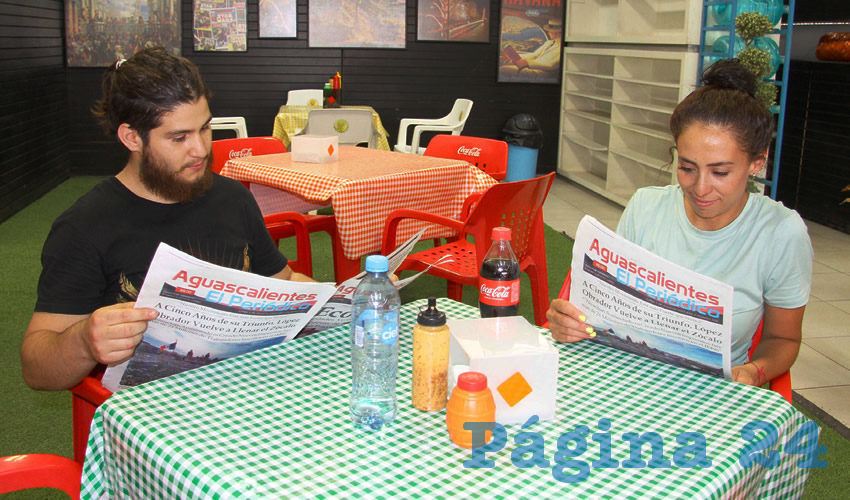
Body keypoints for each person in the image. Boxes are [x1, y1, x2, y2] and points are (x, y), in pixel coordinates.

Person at [21, 47, 314, 392]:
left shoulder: (232, 198)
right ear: (132, 137)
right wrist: (84, 341)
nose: (202, 150)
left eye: (205, 129)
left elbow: (284, 279)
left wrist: (330, 301)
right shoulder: (84, 227)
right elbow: (36, 370)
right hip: (152, 415)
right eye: (179, 138)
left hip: (246, 391)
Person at [546, 59, 813, 387]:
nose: (700, 189)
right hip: (628, 376)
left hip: (713, 391)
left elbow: (783, 340)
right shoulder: (646, 206)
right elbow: (602, 315)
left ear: (757, 163)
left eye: (721, 172)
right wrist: (571, 321)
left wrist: (755, 371)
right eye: (687, 167)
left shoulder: (780, 233)